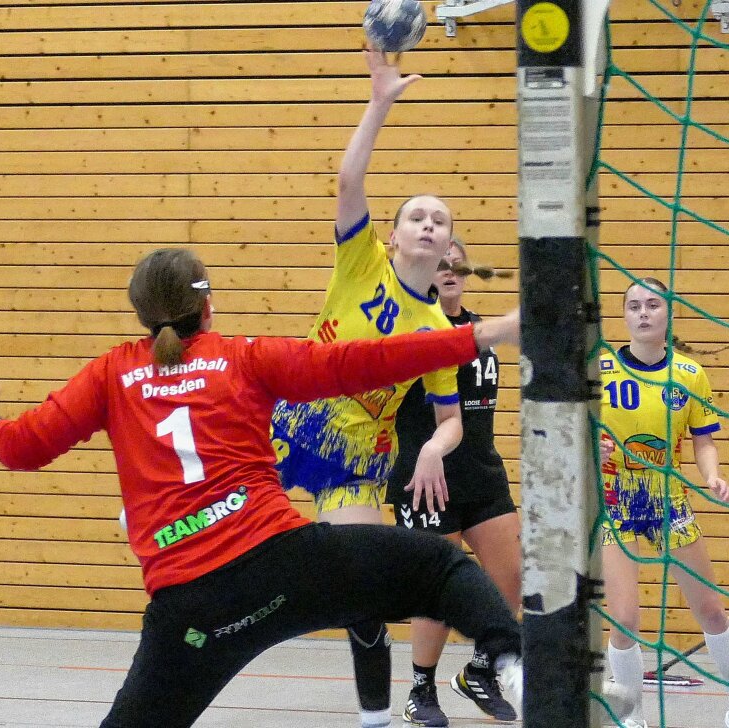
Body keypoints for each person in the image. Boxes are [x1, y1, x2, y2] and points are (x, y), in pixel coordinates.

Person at [0, 247, 529, 728]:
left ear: (142, 313)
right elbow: (360, 363)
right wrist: (484, 333)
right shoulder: (243, 357)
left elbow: (20, 446)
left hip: (190, 607)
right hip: (281, 567)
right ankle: (511, 665)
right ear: (208, 304)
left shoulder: (111, 373)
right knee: (438, 569)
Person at [270, 50, 465, 728]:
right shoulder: (362, 261)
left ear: (448, 254)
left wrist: (438, 448)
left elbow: (450, 419)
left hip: (359, 450)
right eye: (417, 215)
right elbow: (349, 178)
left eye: (440, 220)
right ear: (396, 232)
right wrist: (379, 101)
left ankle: (375, 718)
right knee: (212, 509)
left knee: (365, 586)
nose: (429, 224)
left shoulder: (438, 326)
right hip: (294, 416)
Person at [600, 277, 729, 728]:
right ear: (624, 315)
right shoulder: (598, 368)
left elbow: (703, 440)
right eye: (633, 305)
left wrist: (712, 474)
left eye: (652, 304)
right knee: (623, 618)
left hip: (668, 499)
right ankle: (630, 718)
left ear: (667, 313)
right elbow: (572, 431)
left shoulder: (690, 375)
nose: (642, 313)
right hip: (614, 500)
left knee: (711, 609)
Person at [385, 238, 521, 727]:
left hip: (482, 473)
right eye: (438, 264)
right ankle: (421, 689)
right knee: (437, 589)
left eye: (456, 263)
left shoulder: (482, 332)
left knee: (512, 577)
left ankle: (481, 671)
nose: (448, 270)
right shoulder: (408, 328)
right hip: (426, 479)